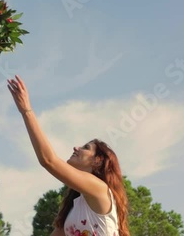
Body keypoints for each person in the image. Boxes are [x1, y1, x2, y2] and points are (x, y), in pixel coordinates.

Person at [7, 75, 130, 236]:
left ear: (97, 161)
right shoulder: (74, 210)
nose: (76, 147)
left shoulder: (99, 188)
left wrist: (26, 111)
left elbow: (48, 160)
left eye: (85, 147)